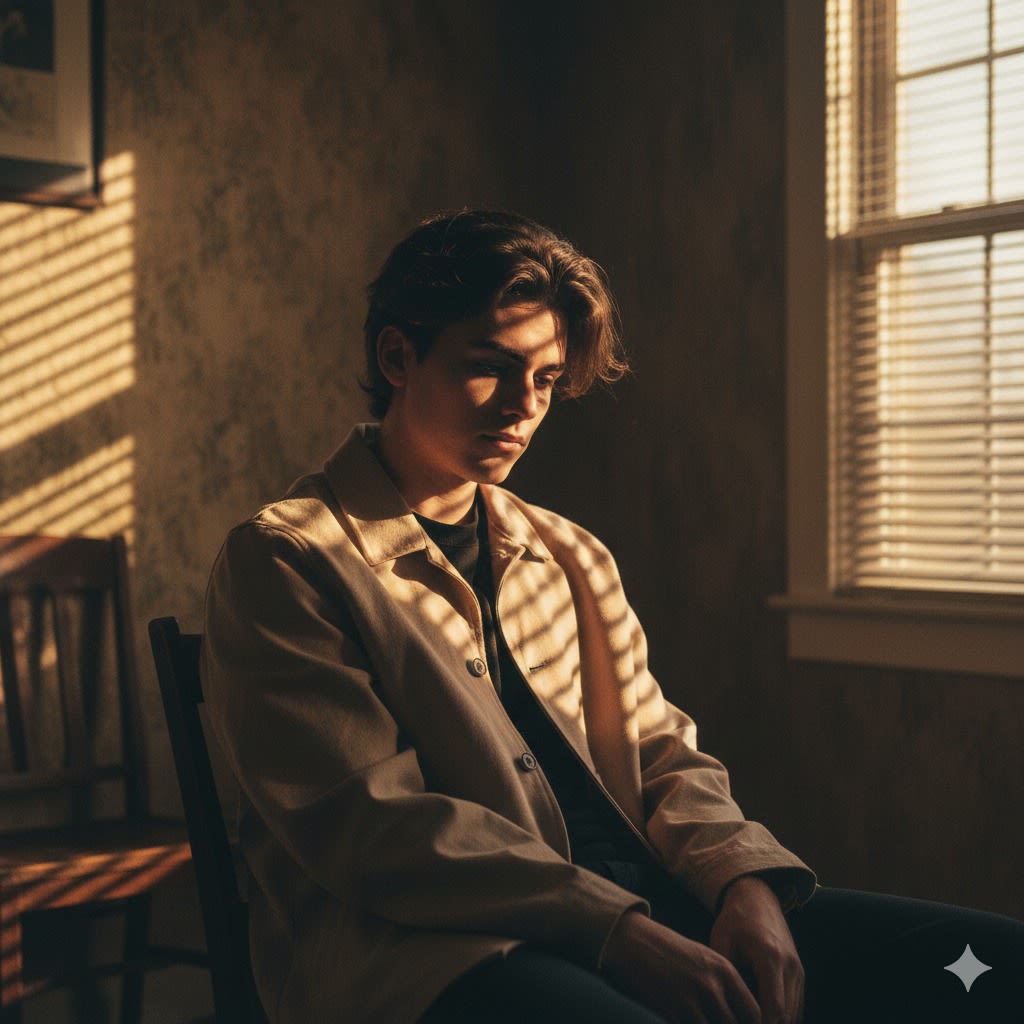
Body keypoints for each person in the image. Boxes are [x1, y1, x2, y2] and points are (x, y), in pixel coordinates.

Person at [202, 210, 1023, 1024]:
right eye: (490, 366)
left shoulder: (570, 555)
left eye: (547, 379)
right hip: (434, 959)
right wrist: (614, 930)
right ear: (397, 355)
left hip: (655, 911)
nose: (523, 406)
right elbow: (372, 830)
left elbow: (661, 750)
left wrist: (745, 882)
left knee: (993, 967)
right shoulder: (286, 559)